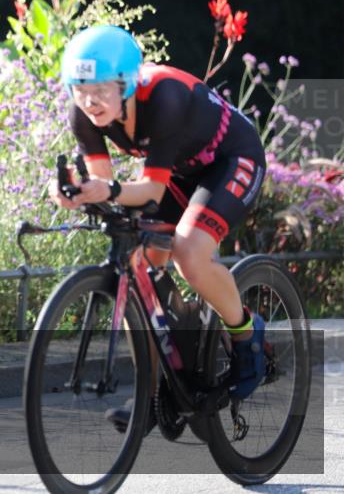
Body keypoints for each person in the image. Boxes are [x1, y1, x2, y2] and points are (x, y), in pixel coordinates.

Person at [52, 24, 268, 431]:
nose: (90, 101)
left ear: (127, 84)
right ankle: (156, 391)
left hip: (232, 159)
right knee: (138, 263)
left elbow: (148, 189)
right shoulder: (82, 114)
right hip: (179, 172)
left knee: (188, 252)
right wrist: (73, 191)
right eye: (80, 89)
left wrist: (107, 189)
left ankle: (246, 333)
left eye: (100, 88)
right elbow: (107, 187)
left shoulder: (163, 98)